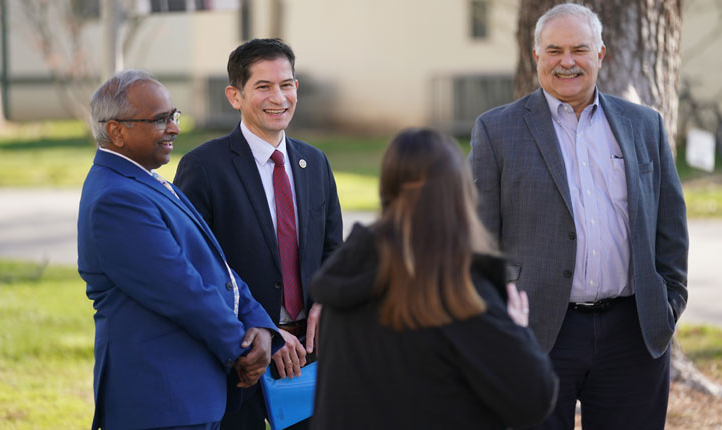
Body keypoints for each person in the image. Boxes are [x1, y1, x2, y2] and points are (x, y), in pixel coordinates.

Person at [469, 3, 688, 429]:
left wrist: (668, 303)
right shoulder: (497, 130)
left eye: (579, 50)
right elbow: (479, 240)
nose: (566, 62)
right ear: (536, 56)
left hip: (634, 333)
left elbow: (671, 229)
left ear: (600, 54)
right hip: (536, 333)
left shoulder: (645, 125)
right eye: (553, 50)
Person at [310, 128, 558, 430]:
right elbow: (532, 400)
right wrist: (518, 330)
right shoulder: (459, 289)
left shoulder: (347, 277)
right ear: (460, 195)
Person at [78, 69, 283, 430]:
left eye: (173, 116)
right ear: (116, 131)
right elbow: (182, 290)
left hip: (189, 397)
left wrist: (260, 325)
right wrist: (244, 349)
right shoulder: (117, 199)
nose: (173, 128)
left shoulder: (145, 178)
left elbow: (216, 267)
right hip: (161, 401)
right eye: (159, 120)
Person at [173, 38, 343, 430]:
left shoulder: (315, 162)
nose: (278, 97)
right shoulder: (204, 167)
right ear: (235, 95)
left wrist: (326, 301)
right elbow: (196, 268)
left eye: (286, 85)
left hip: (311, 358)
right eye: (263, 87)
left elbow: (335, 250)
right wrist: (262, 330)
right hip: (242, 357)